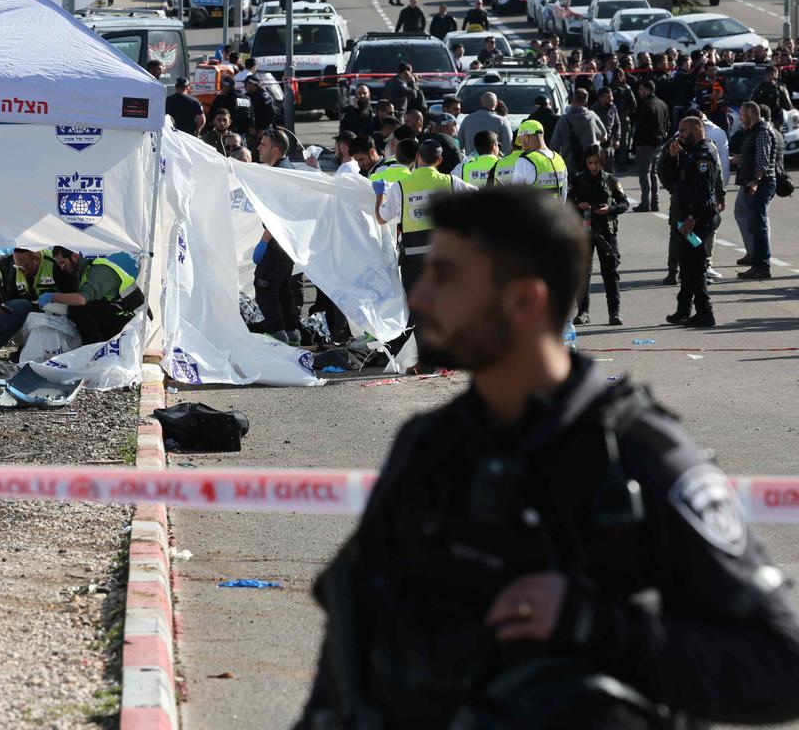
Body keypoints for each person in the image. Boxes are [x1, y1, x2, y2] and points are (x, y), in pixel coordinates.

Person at [297, 183, 799, 730]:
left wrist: (599, 627)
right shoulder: (429, 446)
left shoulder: (639, 455)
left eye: (445, 276)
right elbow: (350, 643)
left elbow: (781, 665)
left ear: (523, 300)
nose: (419, 298)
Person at [374, 139, 476, 301]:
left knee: (416, 305)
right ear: (440, 160)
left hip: (413, 255)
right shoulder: (451, 182)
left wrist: (380, 193)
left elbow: (381, 218)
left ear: (417, 156)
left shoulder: (400, 186)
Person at [659, 117, 721, 326]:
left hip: (699, 219)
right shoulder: (690, 153)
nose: (680, 135)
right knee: (686, 263)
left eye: (684, 131)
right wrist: (671, 157)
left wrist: (692, 218)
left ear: (697, 129)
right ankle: (683, 309)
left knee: (696, 265)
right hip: (687, 217)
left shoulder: (704, 153)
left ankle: (705, 312)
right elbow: (671, 180)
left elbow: (703, 191)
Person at [248, 129, 302, 343]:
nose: (258, 148)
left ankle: (277, 335)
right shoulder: (285, 169)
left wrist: (264, 241)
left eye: (263, 144)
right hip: (286, 240)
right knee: (282, 289)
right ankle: (291, 333)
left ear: (276, 149)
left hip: (278, 240)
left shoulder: (280, 173)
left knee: (265, 287)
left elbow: (280, 213)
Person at [569, 145, 628, 326]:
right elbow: (568, 201)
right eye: (589, 163)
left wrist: (610, 209)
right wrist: (579, 204)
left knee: (610, 273)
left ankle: (614, 313)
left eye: (596, 162)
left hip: (606, 232)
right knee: (583, 274)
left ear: (601, 162)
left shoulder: (611, 180)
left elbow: (624, 204)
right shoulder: (578, 180)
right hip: (584, 231)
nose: (593, 166)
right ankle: (583, 312)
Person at [42, 248, 144, 344]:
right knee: (74, 311)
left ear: (75, 256)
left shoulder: (99, 270)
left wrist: (52, 297)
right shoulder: (84, 272)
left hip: (135, 322)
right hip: (123, 315)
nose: (62, 268)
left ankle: (94, 349)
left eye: (63, 263)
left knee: (78, 308)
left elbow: (81, 299)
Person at [731, 101, 778, 280]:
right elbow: (755, 155)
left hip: (761, 183)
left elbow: (763, 160)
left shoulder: (762, 131)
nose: (741, 118)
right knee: (754, 224)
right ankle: (757, 264)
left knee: (759, 226)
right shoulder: (754, 131)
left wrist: (756, 181)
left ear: (751, 112)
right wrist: (740, 159)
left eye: (742, 114)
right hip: (754, 181)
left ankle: (762, 266)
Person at [500, 120, 568, 202]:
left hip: (533, 213)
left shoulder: (524, 161)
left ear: (526, 137)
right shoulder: (559, 159)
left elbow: (516, 197)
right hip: (556, 211)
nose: (522, 148)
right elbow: (564, 193)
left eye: (521, 142)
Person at [551, 88, 608, 176]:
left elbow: (554, 145)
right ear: (586, 101)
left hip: (569, 167)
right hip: (591, 167)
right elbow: (604, 137)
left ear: (573, 99)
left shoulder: (563, 119)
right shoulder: (592, 117)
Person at [632, 79, 669, 212]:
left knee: (644, 172)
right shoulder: (662, 104)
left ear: (648, 90)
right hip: (659, 143)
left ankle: (645, 203)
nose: (639, 92)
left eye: (641, 89)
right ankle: (654, 202)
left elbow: (641, 128)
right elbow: (667, 124)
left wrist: (635, 145)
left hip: (647, 143)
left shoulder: (646, 105)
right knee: (653, 172)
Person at [0, 247, 75, 303]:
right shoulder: (15, 266)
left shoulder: (55, 264)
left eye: (22, 268)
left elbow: (72, 293)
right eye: (16, 266)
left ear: (36, 259)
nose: (19, 271)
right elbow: (11, 297)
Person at [457, 91, 512, 156]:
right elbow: (507, 147)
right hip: (494, 163)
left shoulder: (467, 120)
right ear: (496, 104)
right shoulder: (502, 121)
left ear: (481, 103)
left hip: (471, 163)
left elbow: (459, 144)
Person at [752, 65, 792, 130]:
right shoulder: (781, 89)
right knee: (777, 137)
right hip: (776, 121)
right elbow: (788, 107)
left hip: (761, 120)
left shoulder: (758, 88)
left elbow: (751, 104)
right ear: (776, 75)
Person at [591, 87, 621, 172]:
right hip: (598, 145)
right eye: (608, 97)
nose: (611, 99)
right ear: (601, 98)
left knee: (610, 171)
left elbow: (617, 124)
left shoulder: (613, 107)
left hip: (609, 145)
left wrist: (617, 139)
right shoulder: (594, 110)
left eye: (611, 96)